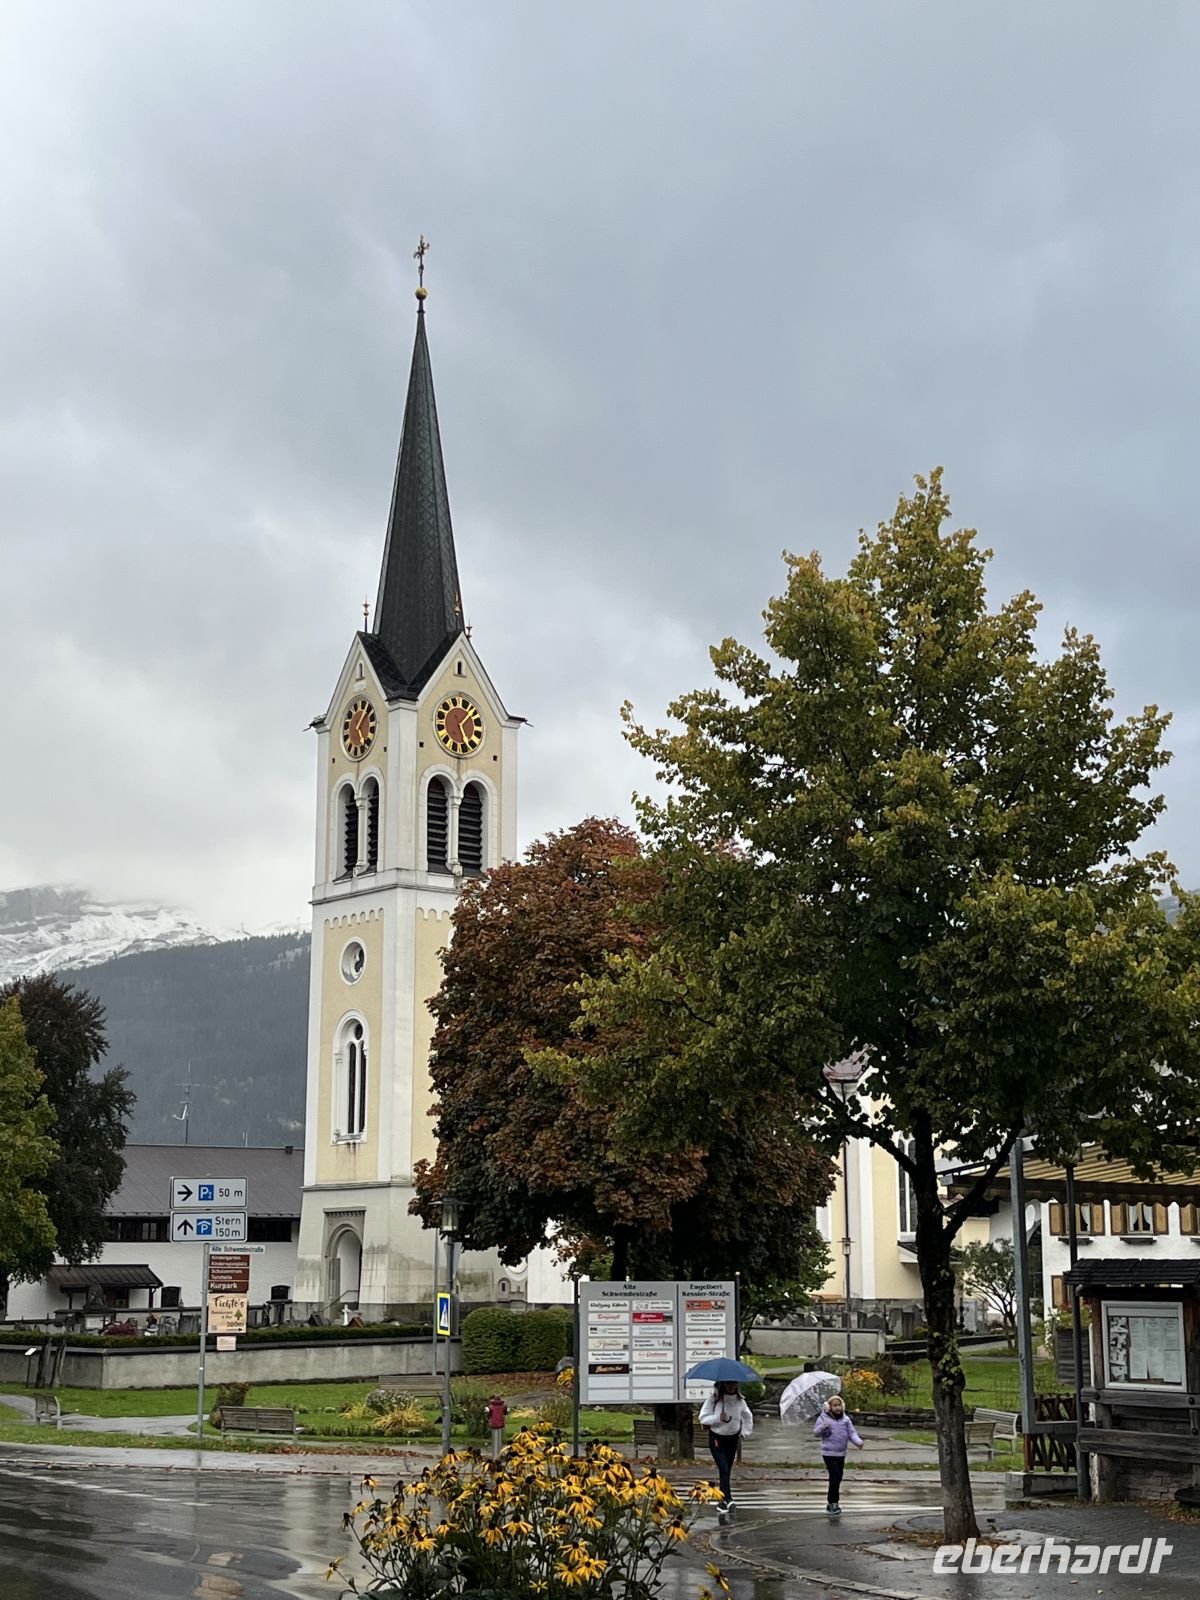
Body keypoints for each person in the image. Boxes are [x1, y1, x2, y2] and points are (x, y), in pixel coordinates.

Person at [699, 1381, 754, 1521]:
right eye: (728, 1384)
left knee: (727, 1470)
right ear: (723, 1384)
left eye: (733, 1384)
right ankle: (723, 1500)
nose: (731, 1386)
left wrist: (745, 1433)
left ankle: (727, 1498)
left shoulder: (740, 1401)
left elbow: (748, 1417)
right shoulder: (714, 1399)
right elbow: (703, 1418)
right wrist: (718, 1418)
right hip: (717, 1439)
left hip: (732, 1439)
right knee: (723, 1468)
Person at [813, 1394, 863, 1514]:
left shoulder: (845, 1420)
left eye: (839, 1405)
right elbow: (816, 1433)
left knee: (838, 1477)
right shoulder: (824, 1418)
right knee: (835, 1477)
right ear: (828, 1407)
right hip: (828, 1453)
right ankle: (833, 1503)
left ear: (842, 1406)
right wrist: (823, 1427)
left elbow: (851, 1433)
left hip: (841, 1453)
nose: (837, 1408)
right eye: (834, 1405)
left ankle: (831, 1503)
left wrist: (858, 1442)